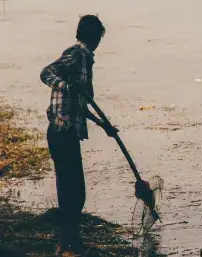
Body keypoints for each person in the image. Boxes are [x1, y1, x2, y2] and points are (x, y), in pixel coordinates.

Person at [39, 14, 119, 256]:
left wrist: (102, 124)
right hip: (61, 130)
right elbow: (46, 73)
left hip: (69, 131)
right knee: (72, 190)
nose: (99, 42)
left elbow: (81, 104)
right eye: (98, 37)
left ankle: (68, 242)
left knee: (75, 191)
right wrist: (67, 86)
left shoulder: (86, 60)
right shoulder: (77, 54)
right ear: (93, 36)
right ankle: (66, 245)